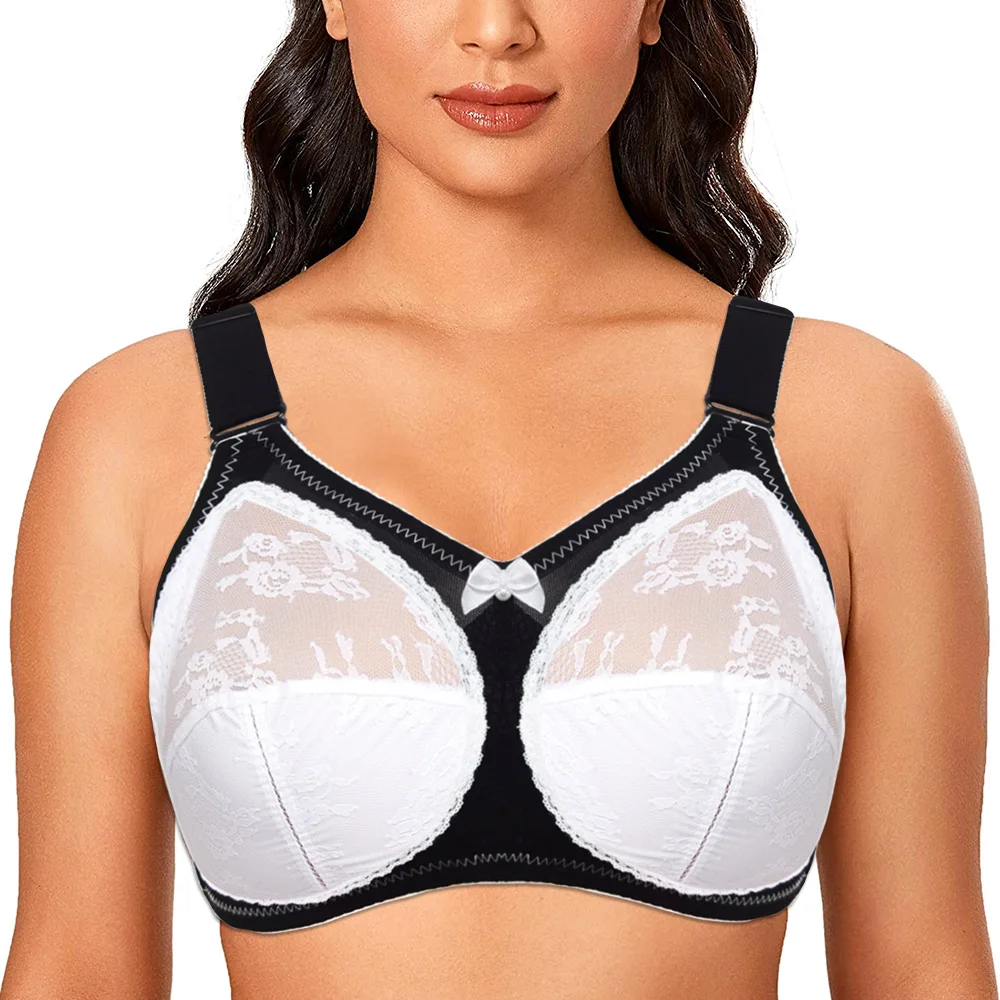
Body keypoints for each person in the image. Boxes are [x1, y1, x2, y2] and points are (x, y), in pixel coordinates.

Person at [2, 0, 995, 998]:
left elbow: (923, 966)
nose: (496, 28)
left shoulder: (852, 420)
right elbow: (75, 969)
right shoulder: (139, 431)